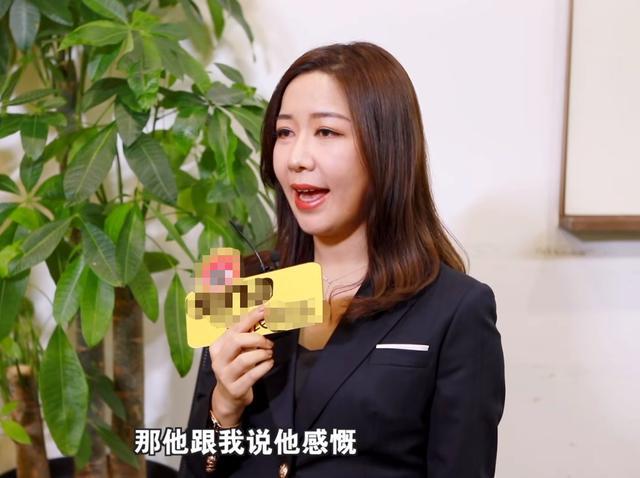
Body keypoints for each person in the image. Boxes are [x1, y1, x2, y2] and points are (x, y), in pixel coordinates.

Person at [180, 41, 505, 478]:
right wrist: (224, 409)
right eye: (284, 133)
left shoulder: (457, 310)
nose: (297, 158)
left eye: (327, 132)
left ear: (386, 149)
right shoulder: (244, 285)